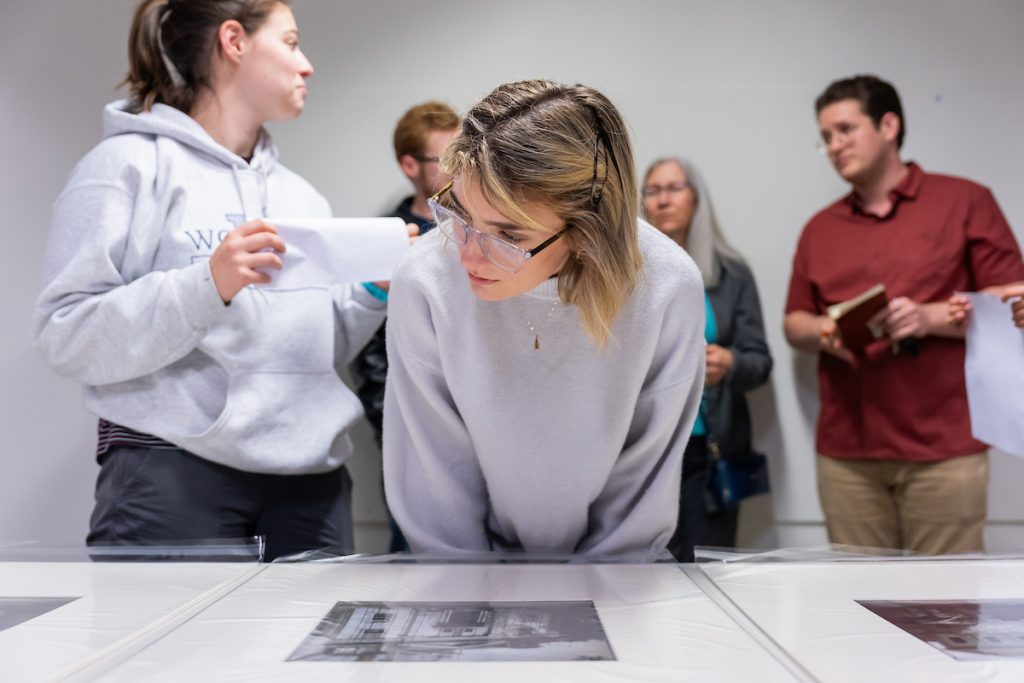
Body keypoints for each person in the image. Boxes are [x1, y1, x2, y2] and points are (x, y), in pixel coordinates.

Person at [32, 0, 389, 561]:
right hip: (171, 474)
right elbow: (66, 334)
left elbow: (316, 350)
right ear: (234, 41)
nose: (307, 65)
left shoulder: (301, 195)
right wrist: (207, 284)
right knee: (163, 653)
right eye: (291, 42)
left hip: (311, 485)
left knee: (311, 650)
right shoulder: (124, 167)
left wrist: (372, 295)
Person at [382, 80, 706, 558]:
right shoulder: (425, 281)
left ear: (587, 225)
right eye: (460, 215)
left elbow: (641, 488)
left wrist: (601, 604)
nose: (469, 256)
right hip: (462, 578)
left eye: (507, 234)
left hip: (620, 580)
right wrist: (469, 607)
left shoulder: (667, 285)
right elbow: (438, 480)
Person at [783, 74, 1024, 555]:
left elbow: (1015, 301)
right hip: (847, 454)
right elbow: (794, 322)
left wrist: (931, 318)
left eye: (846, 130)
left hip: (942, 449)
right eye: (826, 137)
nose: (834, 146)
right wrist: (825, 330)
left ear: (889, 125)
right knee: (855, 608)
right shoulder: (819, 228)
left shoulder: (964, 201)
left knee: (946, 612)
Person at [641, 157, 772, 562]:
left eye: (674, 188)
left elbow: (760, 362)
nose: (663, 200)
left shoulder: (731, 273)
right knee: (644, 575)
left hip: (710, 452)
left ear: (697, 199)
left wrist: (728, 363)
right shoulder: (625, 273)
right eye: (652, 190)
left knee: (704, 571)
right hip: (648, 449)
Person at [351, 101, 459, 553]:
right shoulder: (384, 242)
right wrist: (396, 420)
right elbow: (369, 348)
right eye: (446, 158)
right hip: (411, 437)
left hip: (485, 429)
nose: (459, 168)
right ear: (409, 165)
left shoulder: (488, 229)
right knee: (413, 565)